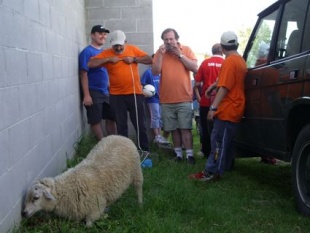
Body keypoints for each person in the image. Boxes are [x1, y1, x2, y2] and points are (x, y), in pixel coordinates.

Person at [190, 31, 247, 181]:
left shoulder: (229, 61)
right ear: (237, 45)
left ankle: (211, 171)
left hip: (228, 108)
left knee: (217, 140)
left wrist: (213, 108)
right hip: (236, 106)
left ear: (222, 48)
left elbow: (226, 87)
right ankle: (225, 166)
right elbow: (226, 80)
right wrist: (213, 86)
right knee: (226, 141)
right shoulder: (239, 60)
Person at [87, 30, 153, 153]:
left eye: (120, 45)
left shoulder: (133, 50)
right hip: (116, 96)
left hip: (135, 94)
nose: (118, 48)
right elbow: (90, 63)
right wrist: (108, 60)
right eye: (115, 45)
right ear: (111, 44)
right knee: (121, 126)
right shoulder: (107, 54)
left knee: (140, 124)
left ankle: (144, 151)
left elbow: (149, 59)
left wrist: (134, 59)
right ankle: (125, 153)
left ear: (125, 43)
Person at [152, 28, 198, 164]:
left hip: (184, 97)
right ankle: (178, 155)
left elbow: (195, 68)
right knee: (173, 129)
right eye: (166, 39)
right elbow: (155, 72)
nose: (169, 42)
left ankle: (190, 155)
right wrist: (160, 55)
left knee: (185, 128)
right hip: (166, 99)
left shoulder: (187, 50)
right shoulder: (160, 53)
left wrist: (180, 55)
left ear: (177, 39)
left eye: (171, 39)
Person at [78, 25, 117, 141]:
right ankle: (102, 144)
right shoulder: (87, 52)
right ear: (92, 35)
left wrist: (109, 86)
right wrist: (86, 95)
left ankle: (112, 142)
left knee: (112, 117)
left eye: (105, 34)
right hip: (93, 91)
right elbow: (83, 74)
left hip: (106, 91)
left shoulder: (104, 52)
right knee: (95, 120)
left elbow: (105, 72)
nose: (103, 36)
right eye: (100, 33)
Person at [194, 44, 224, 158]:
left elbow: (196, 84)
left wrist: (199, 98)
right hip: (221, 101)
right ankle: (220, 151)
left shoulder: (205, 63)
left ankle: (206, 151)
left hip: (206, 101)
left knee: (206, 128)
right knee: (220, 127)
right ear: (222, 51)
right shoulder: (226, 63)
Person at [141, 57, 170, 145]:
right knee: (155, 116)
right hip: (152, 99)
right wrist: (146, 91)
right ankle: (156, 136)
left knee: (160, 117)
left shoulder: (162, 73)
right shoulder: (148, 72)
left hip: (162, 99)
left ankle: (160, 136)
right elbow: (142, 84)